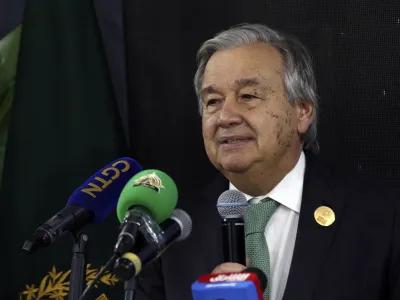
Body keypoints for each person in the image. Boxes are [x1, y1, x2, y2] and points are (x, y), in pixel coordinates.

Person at [135, 23, 400, 300]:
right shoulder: (169, 233)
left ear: (302, 112)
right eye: (213, 101)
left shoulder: (382, 215)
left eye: (248, 96)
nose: (225, 117)